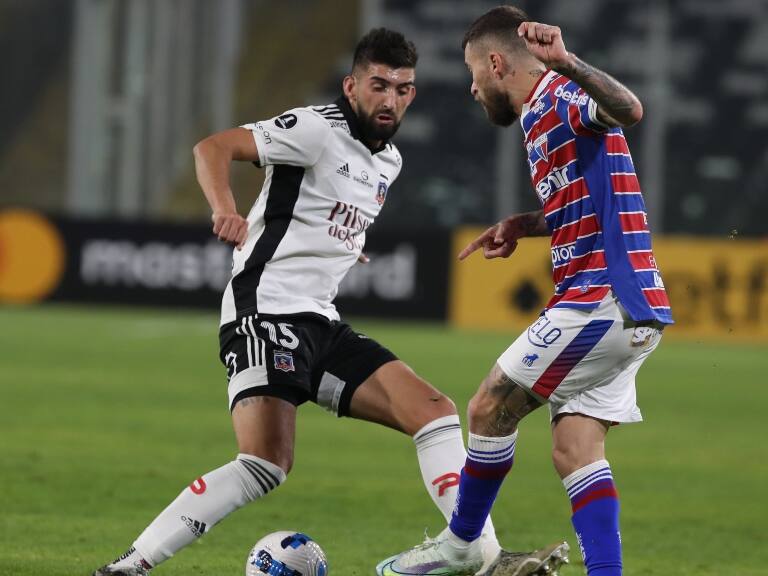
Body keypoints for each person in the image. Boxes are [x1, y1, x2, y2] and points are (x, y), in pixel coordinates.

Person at [91, 27, 557, 576]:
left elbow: (323, 215)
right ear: (351, 85)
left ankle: (481, 557)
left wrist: (342, 247)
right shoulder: (314, 128)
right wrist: (225, 207)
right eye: (378, 85)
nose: (390, 99)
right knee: (265, 462)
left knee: (434, 412)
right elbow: (212, 148)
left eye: (402, 88)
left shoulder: (390, 162)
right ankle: (131, 564)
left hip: (321, 319)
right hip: (265, 308)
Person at [379, 6, 673, 576]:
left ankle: (462, 545)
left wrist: (565, 62)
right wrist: (526, 223)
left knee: (489, 406)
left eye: (472, 72)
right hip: (632, 308)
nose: (471, 87)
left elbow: (629, 110)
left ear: (496, 63)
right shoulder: (539, 121)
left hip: (603, 299)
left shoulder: (558, 94)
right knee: (576, 450)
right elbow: (586, 195)